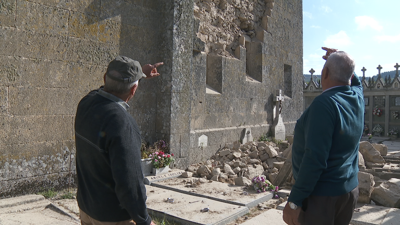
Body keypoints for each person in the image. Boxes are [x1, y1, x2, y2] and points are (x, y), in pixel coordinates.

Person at [75, 56, 163, 225]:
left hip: (87, 209)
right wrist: (144, 220)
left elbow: (105, 91)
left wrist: (139, 75)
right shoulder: (123, 125)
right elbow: (130, 183)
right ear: (133, 91)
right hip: (112, 218)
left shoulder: (86, 103)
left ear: (104, 79)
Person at [283, 47, 364, 225]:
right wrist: (343, 63)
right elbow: (355, 82)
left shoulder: (325, 104)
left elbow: (315, 158)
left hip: (322, 198)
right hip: (348, 191)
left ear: (324, 72)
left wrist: (295, 201)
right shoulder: (356, 97)